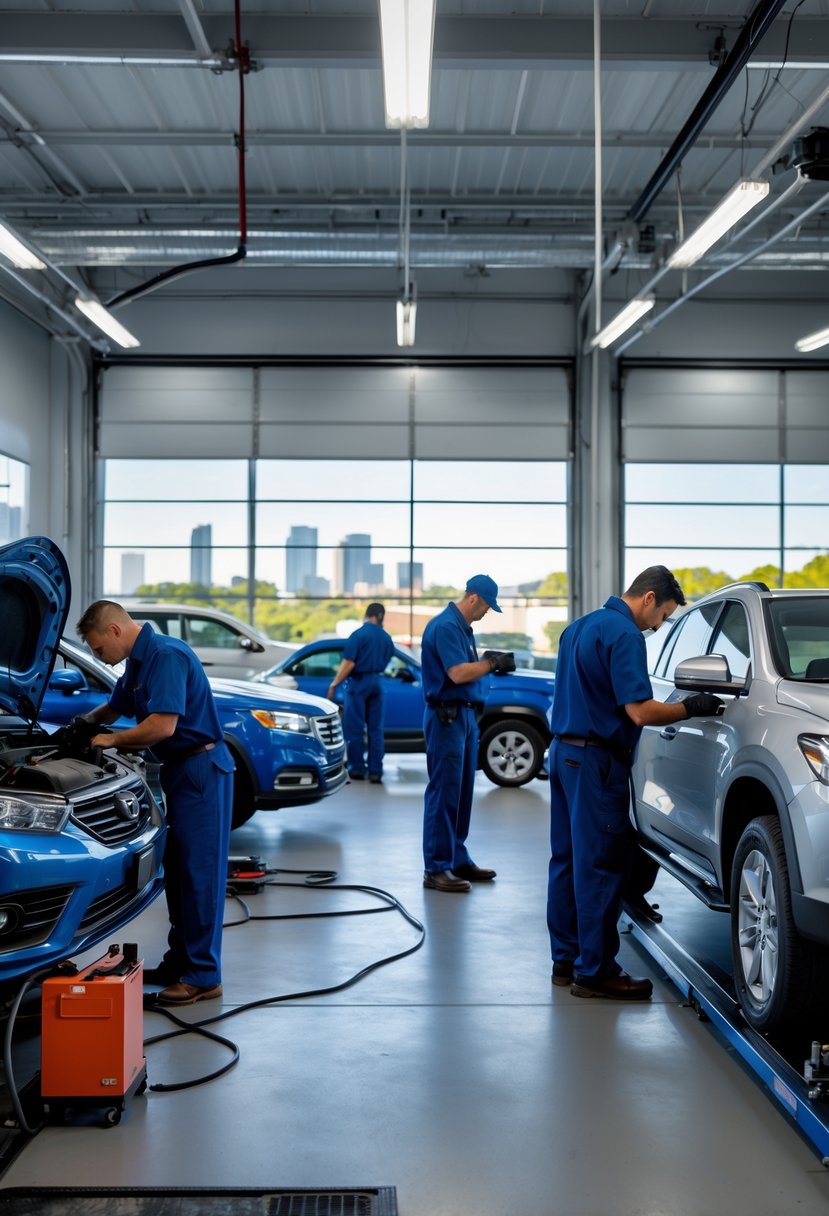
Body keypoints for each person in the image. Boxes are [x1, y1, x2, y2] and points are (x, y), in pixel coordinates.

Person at [547, 566, 723, 1000]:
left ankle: (565, 961)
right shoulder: (625, 635)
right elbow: (641, 713)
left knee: (567, 861)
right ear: (648, 598)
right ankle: (596, 972)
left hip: (564, 754)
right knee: (601, 866)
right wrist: (691, 707)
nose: (659, 623)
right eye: (662, 613)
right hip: (595, 762)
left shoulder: (578, 628)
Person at [75, 600, 235, 1007]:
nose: (100, 658)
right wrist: (87, 724)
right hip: (179, 771)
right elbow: (117, 705)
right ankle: (180, 961)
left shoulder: (164, 655)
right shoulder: (138, 660)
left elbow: (163, 725)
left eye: (97, 650)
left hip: (202, 771)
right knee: (178, 875)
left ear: (113, 631)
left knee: (200, 876)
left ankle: (203, 976)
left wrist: (109, 739)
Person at [420, 574, 515, 893]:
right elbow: (458, 673)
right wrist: (491, 663)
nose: (487, 611)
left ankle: (457, 859)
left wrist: (488, 664)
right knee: (444, 793)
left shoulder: (462, 628)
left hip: (463, 717)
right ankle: (436, 868)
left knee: (460, 795)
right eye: (487, 606)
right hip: (446, 718)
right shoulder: (446, 626)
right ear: (474, 598)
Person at [328, 602, 394, 783]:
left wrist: (335, 683)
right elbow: (389, 658)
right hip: (379, 683)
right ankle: (375, 771)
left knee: (355, 728)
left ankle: (357, 769)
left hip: (359, 683)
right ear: (380, 616)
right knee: (376, 729)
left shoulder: (358, 635)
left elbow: (349, 663)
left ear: (367, 615)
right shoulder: (387, 638)